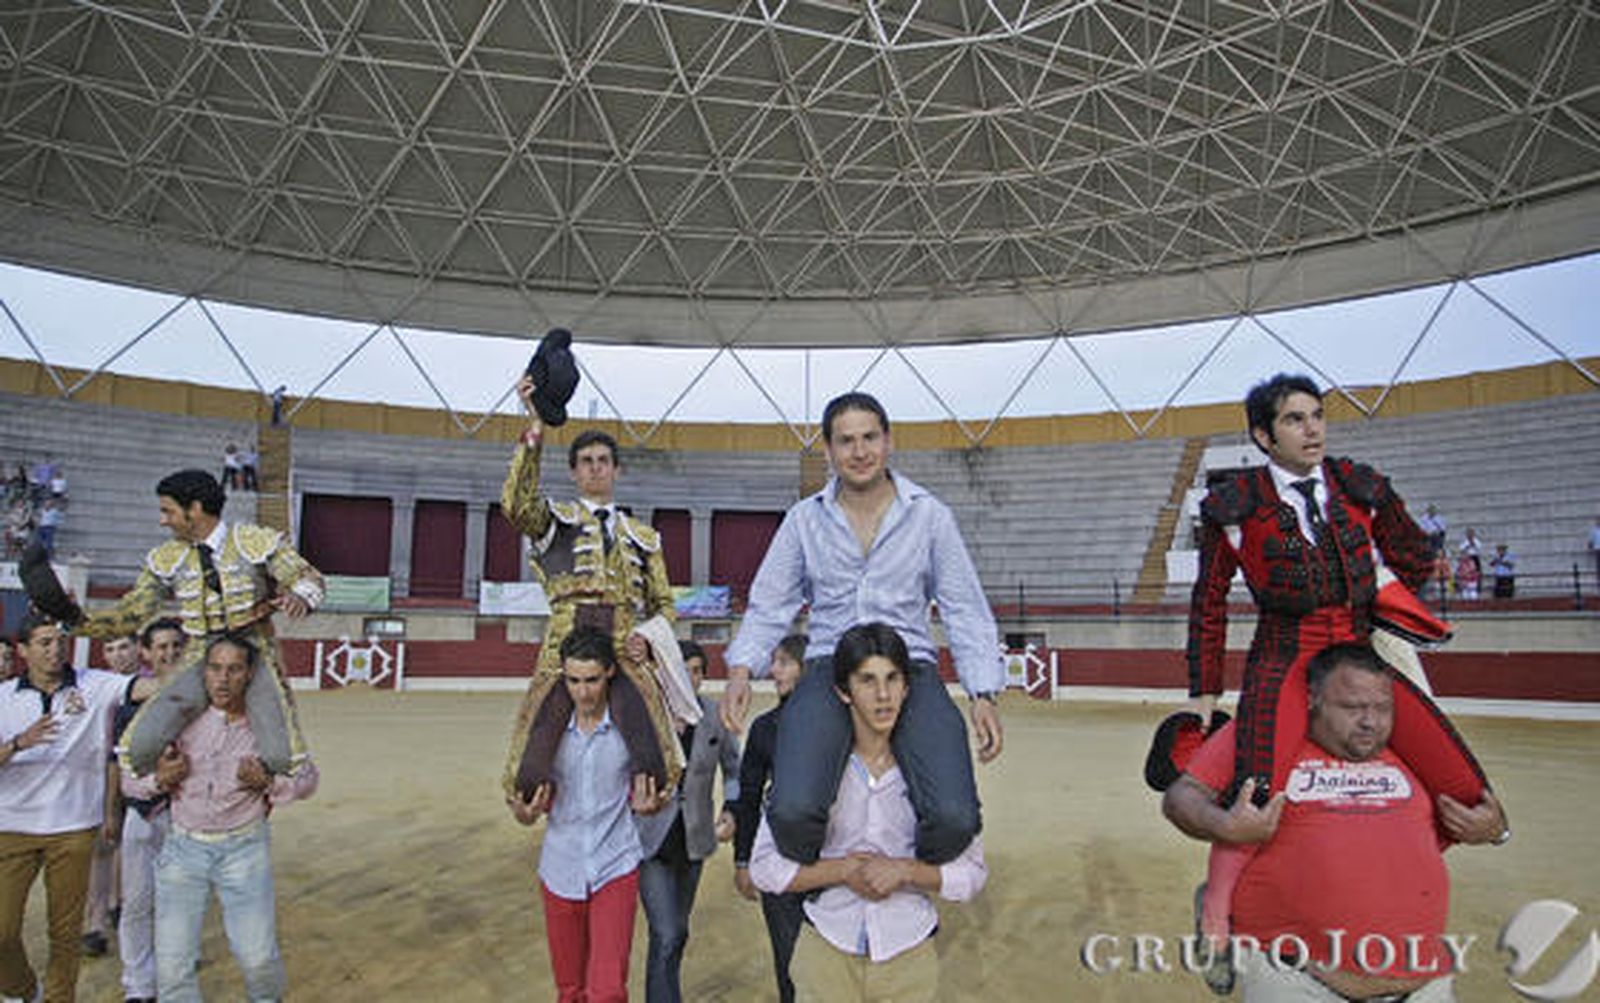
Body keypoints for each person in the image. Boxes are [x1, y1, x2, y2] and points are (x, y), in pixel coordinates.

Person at [1179, 373, 1486, 989]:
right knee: (1255, 793)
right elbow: (1208, 605)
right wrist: (1204, 698)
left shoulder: (1358, 486)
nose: (1312, 429)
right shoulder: (1233, 508)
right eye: (1294, 419)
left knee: (1461, 784)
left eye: (1317, 415)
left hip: (1362, 653)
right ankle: (1216, 917)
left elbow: (1416, 557)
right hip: (1284, 659)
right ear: (1264, 436)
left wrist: (1386, 555)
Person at [721, 391, 1005, 869]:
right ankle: (829, 884)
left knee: (956, 817)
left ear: (889, 441)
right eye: (846, 441)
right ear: (828, 450)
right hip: (828, 667)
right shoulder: (803, 520)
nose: (859, 451)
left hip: (909, 668)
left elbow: (965, 608)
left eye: (869, 437)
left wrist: (983, 692)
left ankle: (904, 880)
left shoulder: (930, 515)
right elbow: (771, 603)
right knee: (791, 813)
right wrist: (740, 670)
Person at [1163, 643, 1510, 1002]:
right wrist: (1223, 824)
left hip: (1425, 985)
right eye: (1352, 707)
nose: (1370, 722)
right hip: (1296, 978)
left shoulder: (1413, 747)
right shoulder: (1266, 732)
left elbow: (1476, 810)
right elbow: (1180, 797)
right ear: (1312, 699)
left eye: (1381, 708)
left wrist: (1497, 829)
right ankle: (1216, 918)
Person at [749, 624, 987, 1002]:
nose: (883, 695)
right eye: (867, 680)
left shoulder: (932, 774)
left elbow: (972, 874)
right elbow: (764, 867)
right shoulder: (813, 771)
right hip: (826, 949)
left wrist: (906, 871)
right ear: (843, 691)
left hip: (908, 955)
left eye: (893, 679)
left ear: (907, 688)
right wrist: (842, 871)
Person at [57, 469, 322, 777]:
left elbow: (307, 577)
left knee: (281, 756)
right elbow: (131, 614)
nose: (163, 520)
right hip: (201, 653)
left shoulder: (252, 541)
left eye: (168, 511)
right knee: (137, 750)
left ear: (194, 509)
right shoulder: (167, 556)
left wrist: (301, 595)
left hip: (253, 648)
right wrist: (74, 619)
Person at [499, 374, 685, 806]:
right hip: (566, 636)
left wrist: (648, 638)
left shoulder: (644, 536)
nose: (595, 467)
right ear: (574, 471)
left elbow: (664, 604)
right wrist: (535, 426)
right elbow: (515, 505)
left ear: (616, 469)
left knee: (655, 753)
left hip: (624, 639)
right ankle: (531, 802)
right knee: (532, 753)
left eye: (603, 460)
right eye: (586, 461)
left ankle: (647, 805)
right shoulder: (554, 520)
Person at [121, 633, 318, 1003]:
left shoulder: (267, 726)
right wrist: (160, 780)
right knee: (173, 967)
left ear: (250, 674)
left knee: (258, 958)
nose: (222, 679)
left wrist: (269, 783)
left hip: (244, 848)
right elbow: (130, 781)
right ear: (203, 672)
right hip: (183, 848)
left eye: (233, 670)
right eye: (214, 669)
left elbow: (307, 780)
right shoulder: (179, 720)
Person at [505, 628, 671, 1003]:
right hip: (559, 867)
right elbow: (523, 801)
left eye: (592, 680)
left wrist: (652, 805)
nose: (582, 693)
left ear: (610, 672)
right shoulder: (546, 735)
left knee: (608, 991)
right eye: (574, 681)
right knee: (570, 990)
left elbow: (659, 782)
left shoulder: (632, 729)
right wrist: (524, 815)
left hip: (616, 864)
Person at [0, 614, 159, 1003]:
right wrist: (18, 744)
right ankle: (25, 991)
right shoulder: (2, 697)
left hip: (73, 826)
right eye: (44, 643)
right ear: (23, 650)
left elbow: (153, 687)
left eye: (60, 641)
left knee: (65, 932)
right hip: (12, 825)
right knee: (2, 933)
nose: (56, 650)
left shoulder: (95, 683)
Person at [634, 641, 740, 1003]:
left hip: (695, 840)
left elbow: (734, 769)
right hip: (651, 840)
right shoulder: (647, 716)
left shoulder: (715, 715)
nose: (690, 678)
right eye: (683, 669)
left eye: (697, 671)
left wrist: (732, 808)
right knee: (666, 934)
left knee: (677, 933)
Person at [731, 633, 809, 1003]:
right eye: (774, 661)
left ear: (806, 669)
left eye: (784, 662)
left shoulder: (842, 725)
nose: (773, 670)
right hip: (779, 860)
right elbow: (747, 798)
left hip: (834, 862)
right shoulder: (764, 728)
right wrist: (743, 860)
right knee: (789, 965)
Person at [115, 618, 185, 1003]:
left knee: (180, 904)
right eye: (161, 647)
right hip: (142, 812)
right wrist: (157, 782)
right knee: (138, 903)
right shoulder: (129, 706)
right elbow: (123, 772)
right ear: (145, 653)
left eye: (176, 645)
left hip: (187, 816)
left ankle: (172, 980)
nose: (169, 653)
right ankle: (139, 985)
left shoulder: (204, 700)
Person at [79, 634, 141, 962]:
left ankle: (120, 903)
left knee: (132, 843)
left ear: (138, 649)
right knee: (103, 845)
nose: (118, 655)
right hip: (101, 773)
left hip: (138, 775)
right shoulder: (97, 688)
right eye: (110, 649)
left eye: (124, 647)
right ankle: (97, 921)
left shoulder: (146, 687)